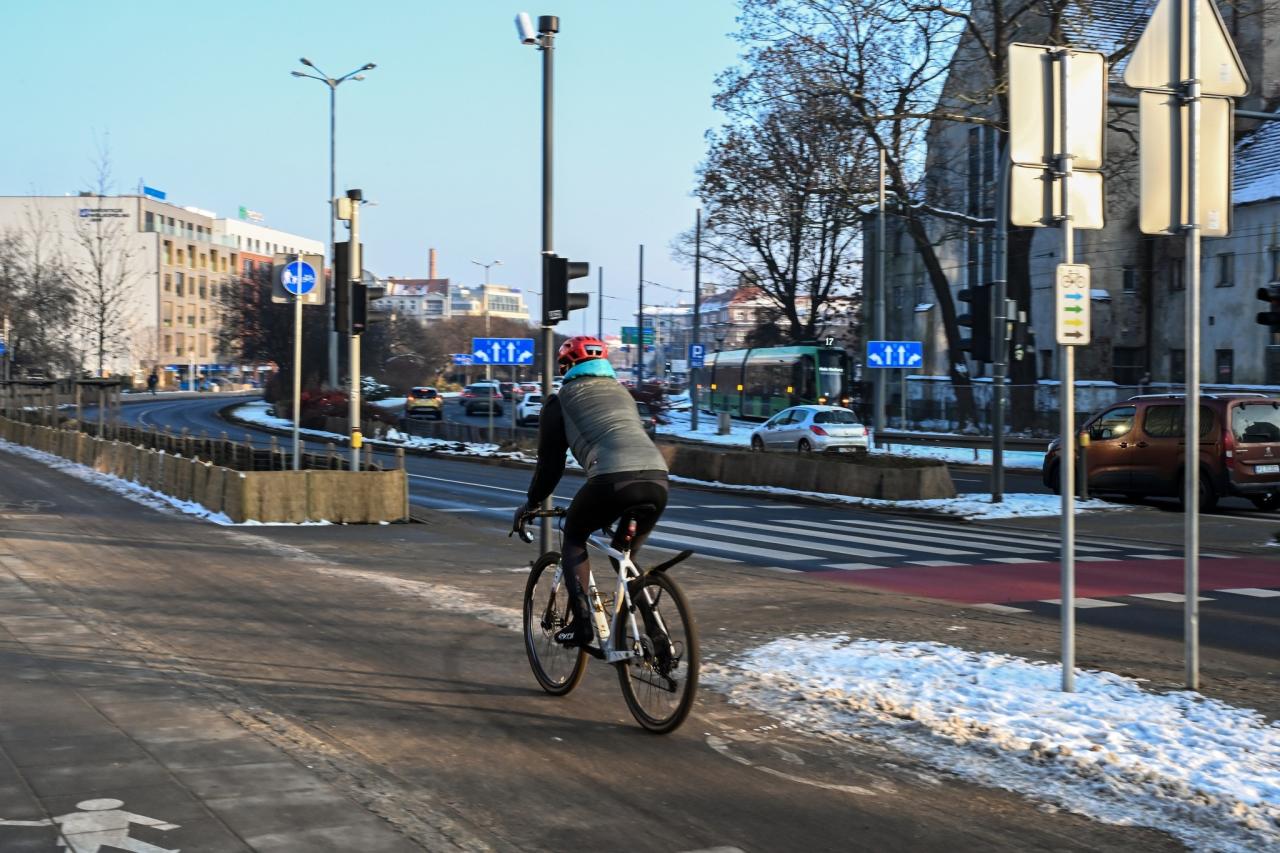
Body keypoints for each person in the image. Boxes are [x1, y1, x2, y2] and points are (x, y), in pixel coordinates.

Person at [512, 335, 669, 646]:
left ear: (566, 366)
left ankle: (583, 624)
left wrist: (530, 504)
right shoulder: (623, 393)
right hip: (658, 478)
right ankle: (657, 632)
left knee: (573, 534)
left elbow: (550, 466)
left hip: (612, 480)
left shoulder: (562, 400)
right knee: (624, 556)